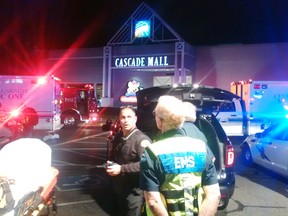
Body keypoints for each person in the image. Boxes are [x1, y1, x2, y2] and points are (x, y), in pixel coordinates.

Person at [140, 96, 220, 216]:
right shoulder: (201, 148)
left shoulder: (152, 153)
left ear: (160, 122)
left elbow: (153, 201)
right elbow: (214, 195)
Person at [105, 106, 152, 216]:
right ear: (119, 119)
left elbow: (146, 164)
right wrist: (110, 164)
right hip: (120, 189)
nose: (126, 120)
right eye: (123, 117)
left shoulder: (141, 139)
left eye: (129, 117)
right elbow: (113, 156)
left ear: (135, 119)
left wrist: (121, 168)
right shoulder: (118, 136)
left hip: (135, 193)